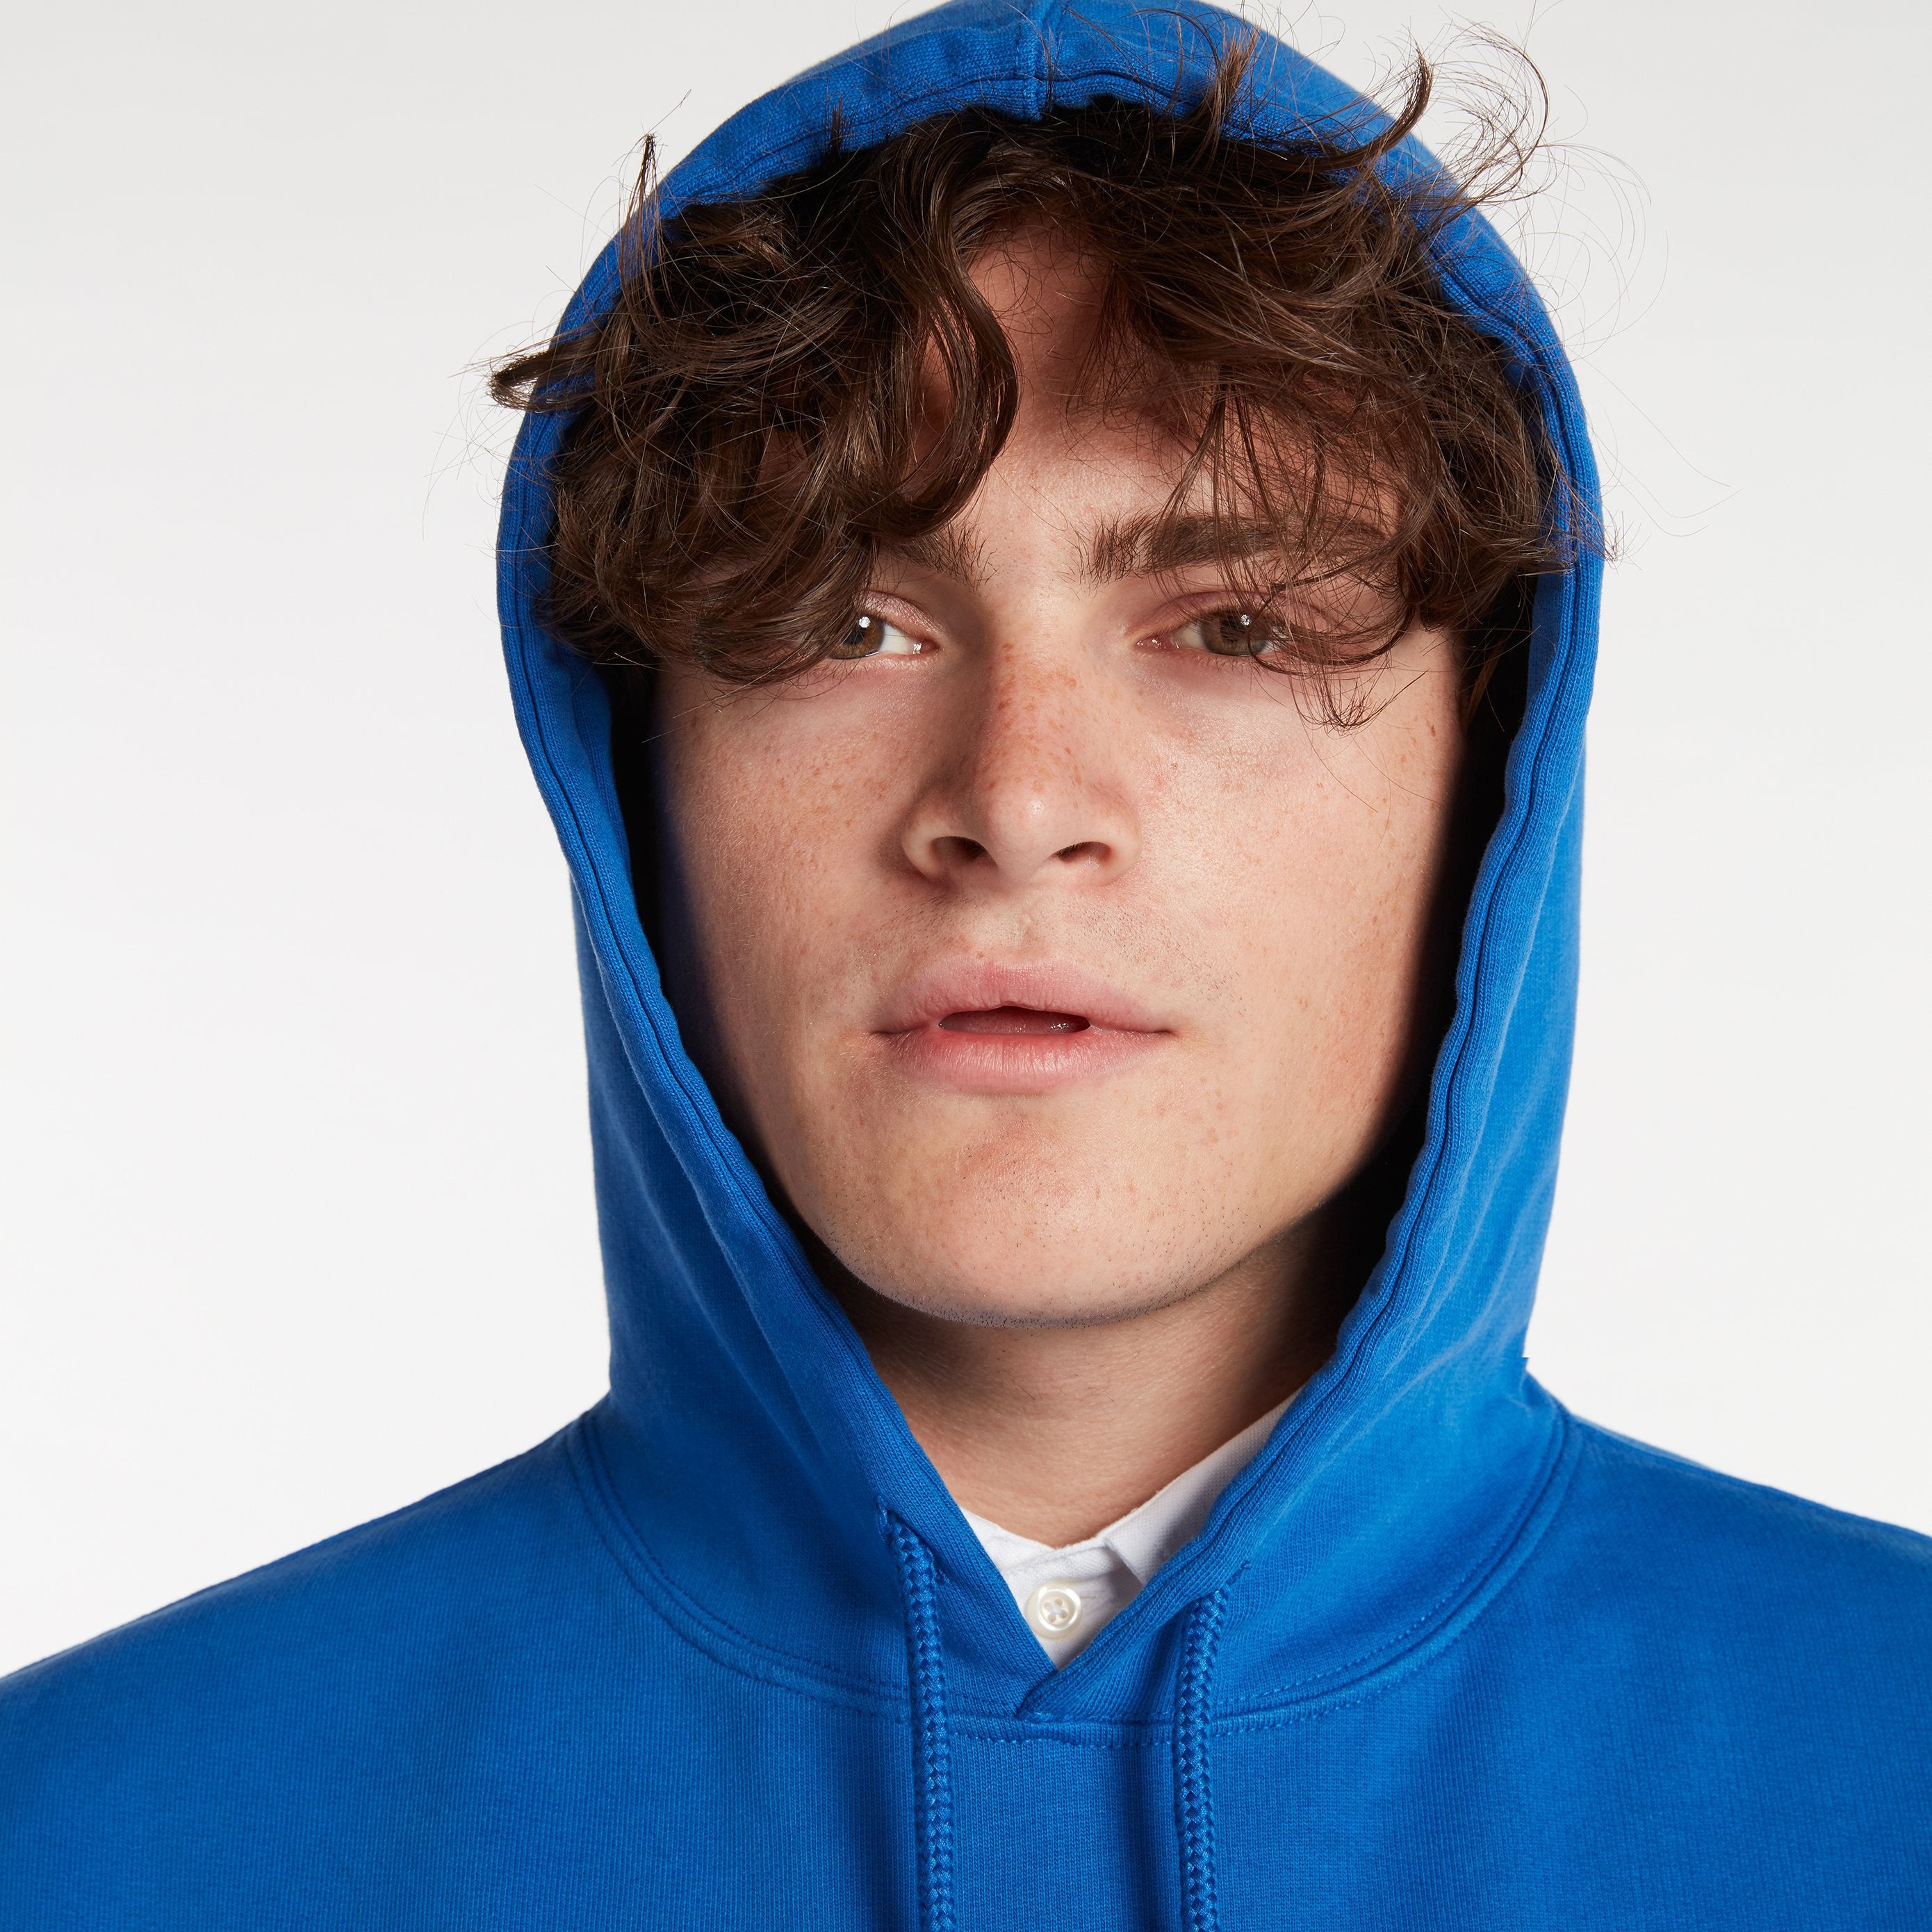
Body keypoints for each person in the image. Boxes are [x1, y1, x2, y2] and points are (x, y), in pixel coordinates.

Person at [3, 1, 1926, 1924]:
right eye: (842, 623)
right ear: (637, 778)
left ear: (1487, 783)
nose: (1014, 802)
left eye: (1237, 626)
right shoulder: (80, 1843)